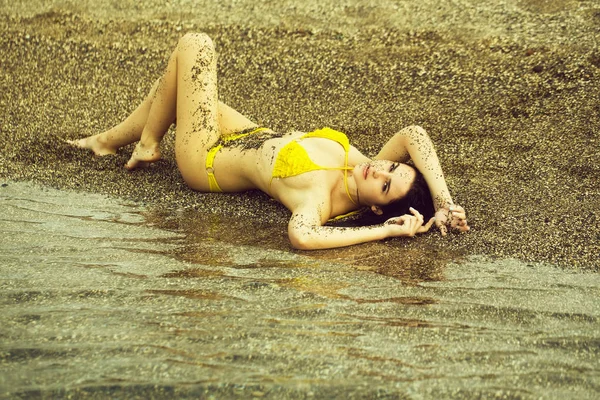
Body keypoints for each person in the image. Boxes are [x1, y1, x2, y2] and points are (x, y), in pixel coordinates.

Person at [69, 33, 469, 250]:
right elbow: (414, 135)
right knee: (178, 88)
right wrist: (443, 202)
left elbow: (304, 235)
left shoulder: (319, 199)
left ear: (380, 208)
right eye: (393, 167)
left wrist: (387, 233)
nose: (381, 168)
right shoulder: (362, 165)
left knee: (196, 47)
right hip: (248, 132)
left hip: (206, 159)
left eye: (384, 184)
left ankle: (148, 143)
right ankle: (106, 142)